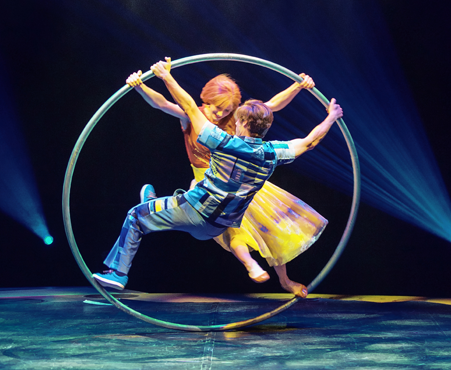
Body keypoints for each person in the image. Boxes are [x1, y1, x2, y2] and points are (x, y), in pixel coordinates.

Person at [93, 57, 343, 296]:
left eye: (228, 111)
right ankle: (154, 204)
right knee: (209, 208)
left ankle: (120, 269)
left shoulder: (219, 140)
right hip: (220, 215)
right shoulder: (272, 152)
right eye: (218, 108)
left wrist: (165, 77)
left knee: (142, 214)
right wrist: (331, 116)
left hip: (199, 204)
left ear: (239, 119)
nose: (222, 115)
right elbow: (307, 140)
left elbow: (190, 105)